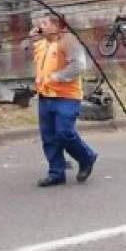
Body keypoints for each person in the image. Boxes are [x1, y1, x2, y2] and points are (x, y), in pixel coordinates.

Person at [30, 15, 97, 187]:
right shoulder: (42, 43)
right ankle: (56, 173)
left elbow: (79, 65)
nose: (40, 26)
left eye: (45, 23)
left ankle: (86, 157)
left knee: (64, 133)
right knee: (49, 137)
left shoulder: (69, 41)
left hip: (66, 96)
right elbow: (32, 53)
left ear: (56, 26)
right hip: (45, 96)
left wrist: (56, 77)